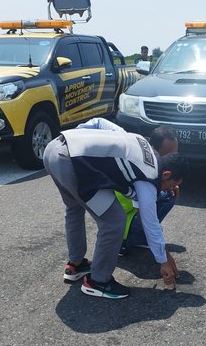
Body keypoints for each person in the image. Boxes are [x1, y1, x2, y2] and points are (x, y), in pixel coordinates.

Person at [43, 126, 188, 299]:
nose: (167, 191)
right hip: (69, 162)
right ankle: (98, 282)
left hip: (54, 149)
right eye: (170, 186)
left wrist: (162, 251)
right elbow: (149, 221)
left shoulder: (144, 143)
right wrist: (163, 260)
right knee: (114, 221)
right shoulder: (150, 175)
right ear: (165, 174)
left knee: (74, 208)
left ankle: (76, 264)